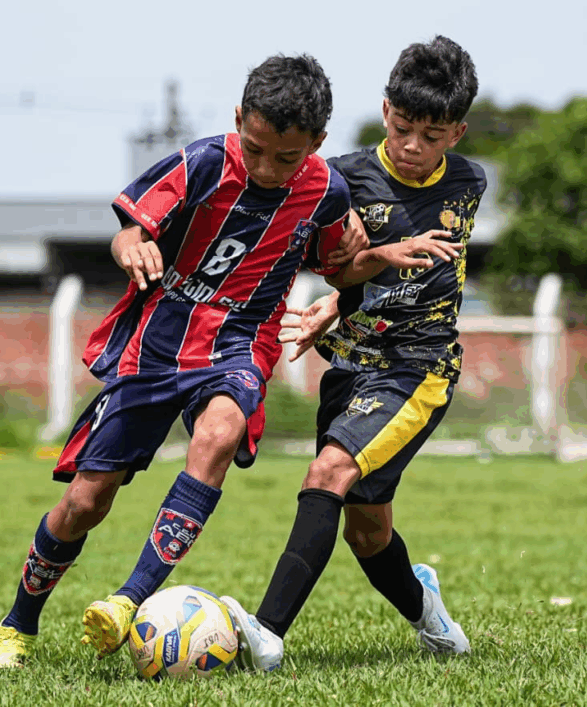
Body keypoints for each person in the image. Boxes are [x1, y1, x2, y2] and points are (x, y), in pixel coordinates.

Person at [0, 53, 367, 669]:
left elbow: (337, 260)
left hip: (241, 343)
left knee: (219, 432)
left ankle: (130, 601)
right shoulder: (202, 163)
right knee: (86, 501)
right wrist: (133, 247)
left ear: (317, 144)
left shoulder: (326, 190)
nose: (267, 168)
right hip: (156, 348)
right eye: (256, 147)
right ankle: (16, 625)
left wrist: (353, 255)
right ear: (239, 118)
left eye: (286, 158)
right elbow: (128, 232)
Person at [220, 36, 487, 671]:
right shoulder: (339, 179)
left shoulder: (471, 184)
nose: (415, 147)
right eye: (403, 128)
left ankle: (266, 635)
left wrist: (350, 288)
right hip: (347, 368)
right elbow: (340, 266)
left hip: (419, 367)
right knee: (367, 532)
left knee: (328, 474)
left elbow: (427, 274)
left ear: (458, 131)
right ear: (385, 108)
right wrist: (341, 292)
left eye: (434, 133)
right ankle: (432, 617)